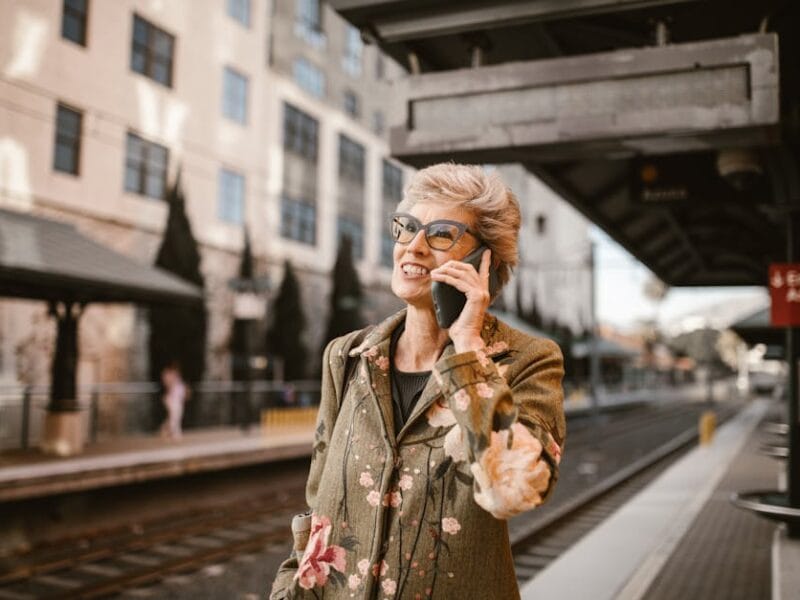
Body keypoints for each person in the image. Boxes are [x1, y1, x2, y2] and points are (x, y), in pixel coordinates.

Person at [270, 163, 565, 599]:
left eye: (442, 233)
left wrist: (466, 349)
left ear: (484, 261)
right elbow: (319, 512)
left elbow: (514, 492)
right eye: (407, 228)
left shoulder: (528, 360)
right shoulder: (346, 357)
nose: (415, 247)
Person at [160, 363, 187, 439]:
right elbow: (167, 384)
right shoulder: (170, 376)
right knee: (174, 416)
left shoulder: (177, 378)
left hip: (177, 399)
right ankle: (174, 433)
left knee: (176, 416)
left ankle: (166, 430)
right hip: (172, 399)